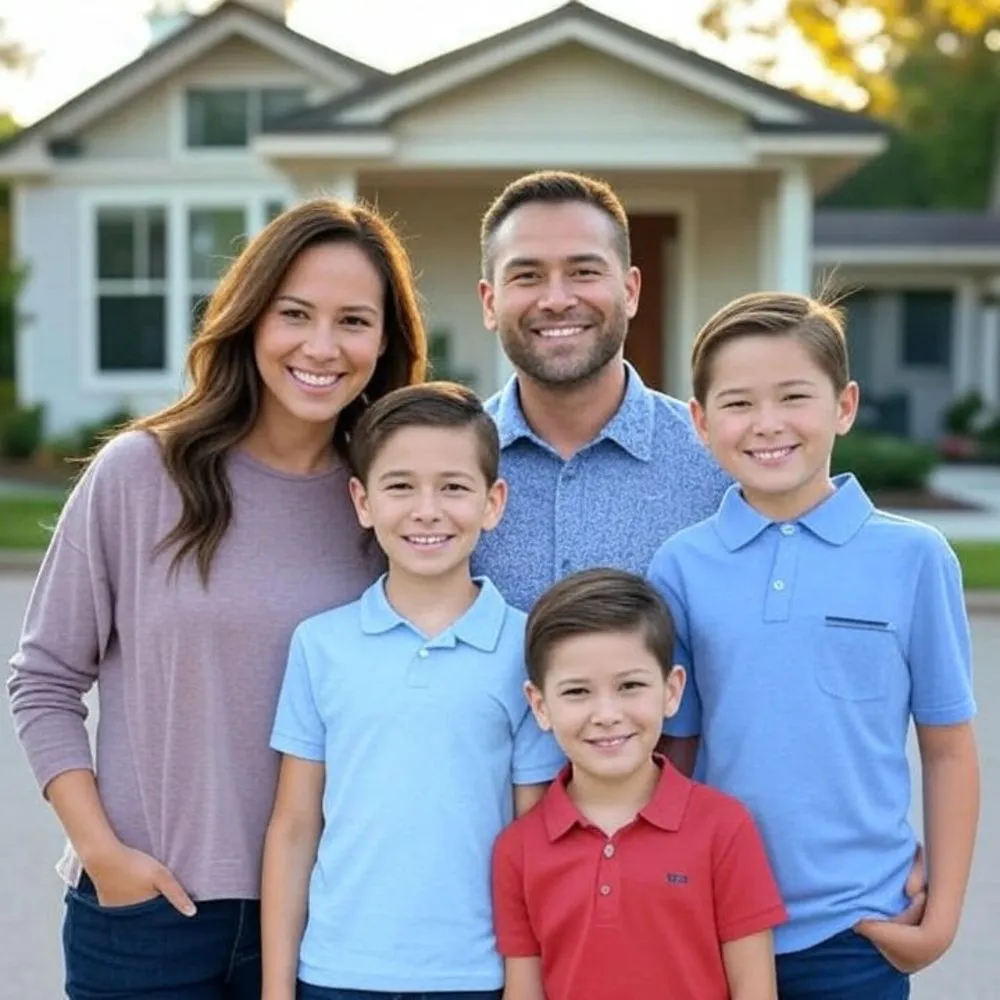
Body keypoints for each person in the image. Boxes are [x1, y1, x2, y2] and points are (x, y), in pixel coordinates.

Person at [7, 197, 427, 1000]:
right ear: (249, 320)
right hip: (148, 913)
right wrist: (103, 855)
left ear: (387, 341)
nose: (321, 347)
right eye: (294, 314)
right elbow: (45, 679)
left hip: (328, 915)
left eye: (353, 321)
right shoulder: (140, 474)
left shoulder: (391, 505)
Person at [647, 292, 980, 1000]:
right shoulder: (680, 565)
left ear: (844, 405)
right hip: (713, 918)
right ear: (701, 423)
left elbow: (948, 748)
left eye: (794, 396)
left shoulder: (915, 558)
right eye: (738, 404)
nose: (768, 425)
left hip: (854, 930)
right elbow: (675, 750)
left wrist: (941, 920)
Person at [260, 381, 565, 1000]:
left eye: (453, 487)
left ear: (493, 502)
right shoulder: (321, 646)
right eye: (400, 486)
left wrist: (526, 982)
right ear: (363, 500)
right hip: (337, 973)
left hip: (478, 977)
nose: (427, 510)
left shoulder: (526, 648)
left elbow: (533, 836)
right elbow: (294, 826)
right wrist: (275, 987)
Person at [492, 568, 787, 1000]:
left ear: (671, 690)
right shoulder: (517, 850)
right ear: (540, 705)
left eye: (630, 686)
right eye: (577, 692)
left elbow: (755, 989)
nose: (607, 713)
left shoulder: (724, 828)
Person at [472, 169, 732, 619]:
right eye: (528, 276)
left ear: (630, 291)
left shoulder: (719, 464)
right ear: (489, 302)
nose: (555, 299)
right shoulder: (443, 467)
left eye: (584, 271)